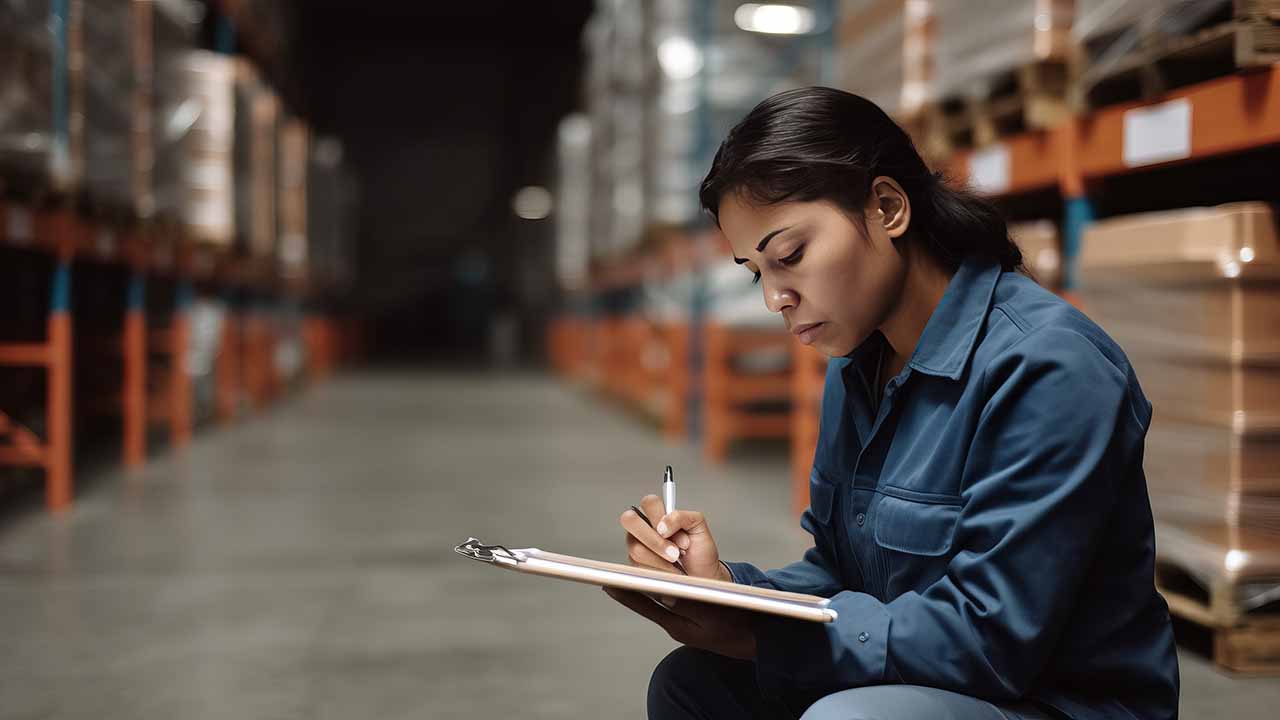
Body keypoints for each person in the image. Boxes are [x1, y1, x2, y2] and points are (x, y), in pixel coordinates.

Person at [603, 87, 1179, 720]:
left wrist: (759, 634)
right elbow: (841, 578)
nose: (774, 298)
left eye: (790, 256)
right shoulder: (859, 371)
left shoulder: (1047, 368)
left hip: (1052, 702)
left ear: (887, 207)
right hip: (935, 687)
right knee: (692, 684)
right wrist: (726, 590)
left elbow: (991, 641)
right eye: (755, 272)